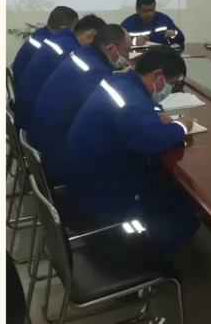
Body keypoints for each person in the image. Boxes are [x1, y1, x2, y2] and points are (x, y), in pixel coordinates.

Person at [63, 46, 200, 257]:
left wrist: (154, 113)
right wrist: (182, 125)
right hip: (103, 191)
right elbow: (152, 141)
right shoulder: (130, 101)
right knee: (186, 216)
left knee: (167, 185)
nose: (169, 90)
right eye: (171, 84)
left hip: (84, 174)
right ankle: (146, 256)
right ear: (158, 75)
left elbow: (137, 111)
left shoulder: (119, 82)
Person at [30, 25, 132, 184]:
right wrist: (124, 79)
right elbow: (116, 110)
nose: (128, 56)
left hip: (46, 134)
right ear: (111, 49)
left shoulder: (83, 53)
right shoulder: (94, 70)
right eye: (127, 50)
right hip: (60, 150)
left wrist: (113, 74)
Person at [14, 14, 105, 133]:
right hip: (36, 122)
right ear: (92, 34)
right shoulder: (69, 51)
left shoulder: (61, 39)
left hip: (30, 110)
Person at [10, 6, 79, 83]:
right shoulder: (49, 44)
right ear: (64, 29)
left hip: (23, 82)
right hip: (28, 85)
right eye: (73, 29)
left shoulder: (40, 35)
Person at [121, 0, 185, 49]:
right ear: (137, 9)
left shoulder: (164, 19)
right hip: (139, 57)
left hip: (162, 56)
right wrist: (134, 41)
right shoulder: (128, 24)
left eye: (152, 10)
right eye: (146, 11)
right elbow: (118, 44)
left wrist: (174, 35)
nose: (149, 14)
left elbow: (181, 39)